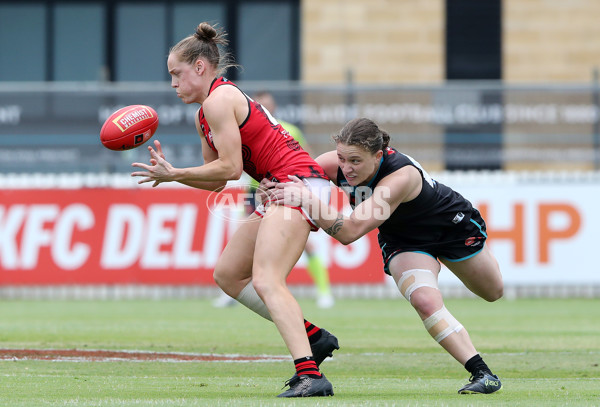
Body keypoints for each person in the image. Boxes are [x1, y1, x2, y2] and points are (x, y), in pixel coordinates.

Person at [130, 22, 337, 398]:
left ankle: (311, 375)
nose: (173, 84)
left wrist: (176, 172)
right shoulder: (203, 114)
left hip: (299, 185)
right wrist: (173, 176)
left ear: (199, 67)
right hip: (283, 186)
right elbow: (217, 181)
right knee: (228, 274)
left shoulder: (218, 100)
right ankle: (314, 339)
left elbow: (230, 167)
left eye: (177, 74)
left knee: (267, 278)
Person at [270, 117, 504, 394]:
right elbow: (293, 178)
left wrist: (307, 198)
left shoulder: (399, 177)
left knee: (493, 292)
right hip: (404, 239)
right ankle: (483, 373)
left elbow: (350, 231)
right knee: (424, 300)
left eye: (355, 161)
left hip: (450, 227)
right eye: (342, 158)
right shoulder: (332, 164)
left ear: (378, 155)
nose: (346, 168)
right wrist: (270, 189)